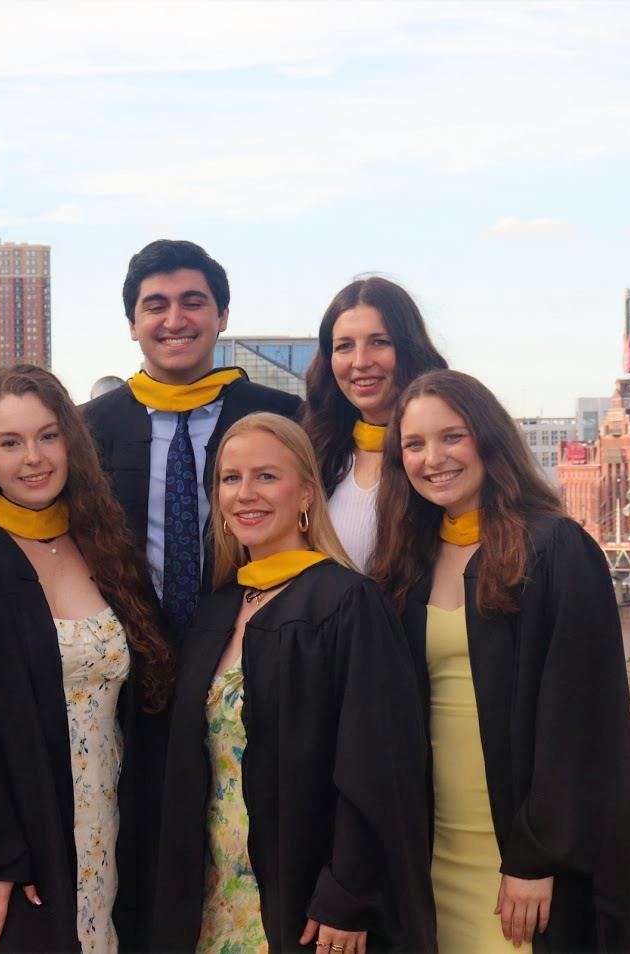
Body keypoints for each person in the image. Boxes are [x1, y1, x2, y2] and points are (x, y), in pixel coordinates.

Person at [371, 370, 630, 953]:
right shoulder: (406, 562)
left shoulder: (553, 549)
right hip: (432, 852)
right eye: (414, 444)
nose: (434, 458)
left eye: (452, 436)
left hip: (520, 854)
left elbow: (579, 722)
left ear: (489, 437)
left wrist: (534, 857)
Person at [0, 365, 174, 953]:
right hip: (15, 841)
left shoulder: (101, 539)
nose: (34, 458)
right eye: (11, 442)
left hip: (107, 820)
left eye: (48, 436)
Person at [151, 412, 435, 954]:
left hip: (305, 901)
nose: (245, 494)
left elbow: (379, 765)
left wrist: (348, 892)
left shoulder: (347, 602)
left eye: (266, 476)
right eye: (230, 478)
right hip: (215, 897)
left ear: (306, 490)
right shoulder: (218, 611)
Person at [83, 239, 301, 638]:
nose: (174, 320)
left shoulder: (281, 418)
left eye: (192, 302)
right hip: (129, 648)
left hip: (253, 639)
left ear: (222, 315)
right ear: (133, 324)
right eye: (155, 306)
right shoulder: (89, 428)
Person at [303, 276, 447, 572]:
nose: (360, 361)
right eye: (344, 346)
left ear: (410, 348)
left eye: (379, 342)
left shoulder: (448, 457)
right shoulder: (311, 451)